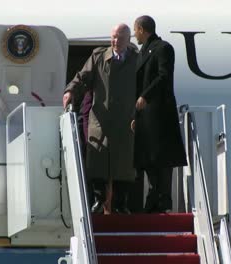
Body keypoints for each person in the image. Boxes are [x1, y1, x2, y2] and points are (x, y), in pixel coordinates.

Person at [63, 24, 137, 214]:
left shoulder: (137, 59)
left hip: (125, 120)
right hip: (101, 119)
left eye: (120, 38)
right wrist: (70, 90)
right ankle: (98, 200)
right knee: (97, 161)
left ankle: (121, 204)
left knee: (124, 164)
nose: (115, 41)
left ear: (129, 40)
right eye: (113, 37)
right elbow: (82, 77)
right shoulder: (98, 57)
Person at [132, 15, 187, 213]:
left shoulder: (163, 48)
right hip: (144, 116)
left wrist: (146, 96)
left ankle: (162, 201)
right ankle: (153, 198)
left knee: (161, 160)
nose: (134, 35)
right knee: (147, 160)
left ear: (141, 29)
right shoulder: (142, 51)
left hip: (159, 113)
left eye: (135, 30)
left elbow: (164, 76)